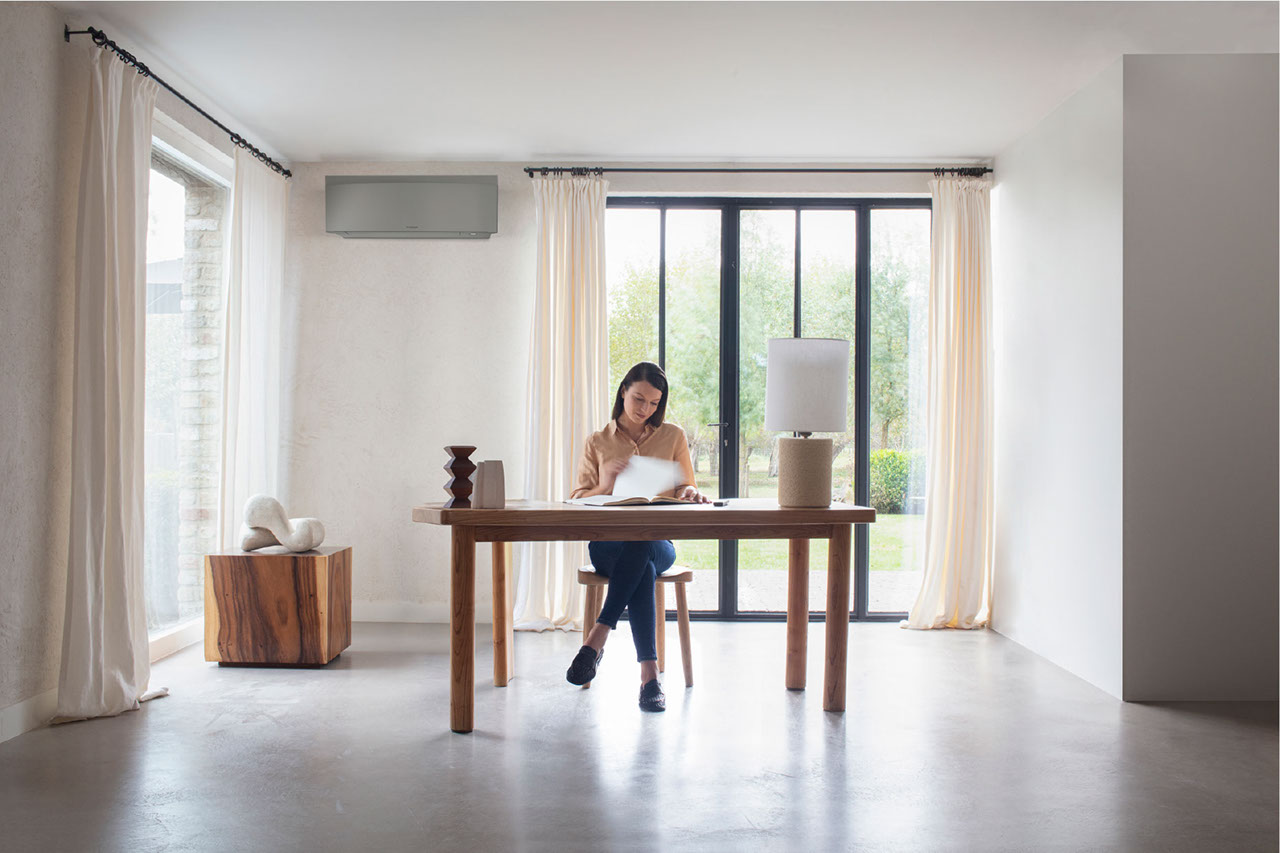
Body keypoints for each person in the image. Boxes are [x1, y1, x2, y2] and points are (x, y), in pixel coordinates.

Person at [565, 361, 710, 712]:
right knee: (639, 561)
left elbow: (685, 485)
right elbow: (577, 499)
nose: (645, 409)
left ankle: (597, 638)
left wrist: (690, 492)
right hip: (607, 545)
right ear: (623, 392)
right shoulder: (597, 442)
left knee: (644, 543)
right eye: (639, 399)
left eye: (654, 403)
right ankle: (650, 676)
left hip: (660, 543)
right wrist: (604, 484)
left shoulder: (673, 436)